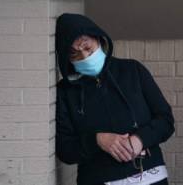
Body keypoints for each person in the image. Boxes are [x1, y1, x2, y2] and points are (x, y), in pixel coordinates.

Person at [55, 13, 175, 185]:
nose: (85, 57)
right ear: (66, 59)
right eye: (75, 54)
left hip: (150, 175)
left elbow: (166, 120)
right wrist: (98, 140)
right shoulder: (65, 92)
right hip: (98, 179)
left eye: (88, 48)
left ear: (99, 40)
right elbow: (65, 149)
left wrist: (139, 140)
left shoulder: (133, 71)